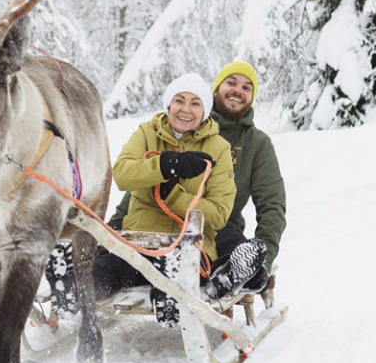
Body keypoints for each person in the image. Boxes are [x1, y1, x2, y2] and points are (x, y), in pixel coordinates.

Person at [46, 73, 235, 328]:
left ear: (205, 111)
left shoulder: (219, 149)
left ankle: (169, 292)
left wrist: (173, 196)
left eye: (195, 103)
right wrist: (164, 166)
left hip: (188, 244)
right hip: (138, 239)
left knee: (177, 274)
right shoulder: (148, 132)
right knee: (106, 271)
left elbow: (219, 213)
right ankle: (71, 289)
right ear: (169, 104)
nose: (186, 110)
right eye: (180, 100)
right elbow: (123, 174)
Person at [108, 61, 286, 299]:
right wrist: (119, 220)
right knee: (114, 252)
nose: (237, 91)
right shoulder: (183, 122)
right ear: (215, 90)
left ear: (252, 97)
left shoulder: (257, 144)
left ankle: (234, 275)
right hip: (159, 219)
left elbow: (272, 205)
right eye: (231, 83)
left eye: (246, 87)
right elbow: (150, 176)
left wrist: (265, 258)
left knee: (229, 251)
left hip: (218, 227)